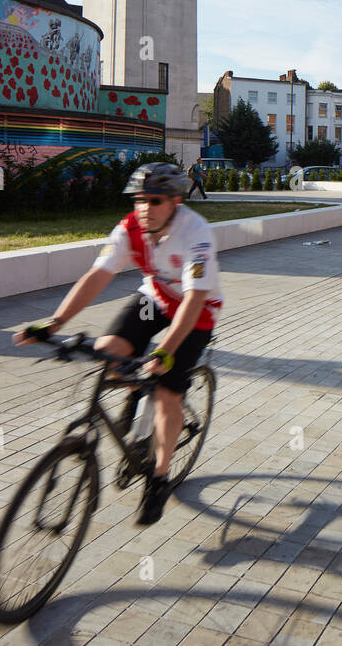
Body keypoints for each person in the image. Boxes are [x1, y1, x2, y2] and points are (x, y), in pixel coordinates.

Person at [14, 163, 223, 526]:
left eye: (154, 201)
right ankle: (135, 392)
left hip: (196, 311)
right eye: (139, 200)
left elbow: (192, 301)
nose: (144, 208)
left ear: (175, 201)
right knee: (109, 350)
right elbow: (98, 275)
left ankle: (159, 476)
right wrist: (56, 322)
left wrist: (164, 351)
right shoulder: (130, 228)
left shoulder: (196, 233)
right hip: (154, 300)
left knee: (168, 395)